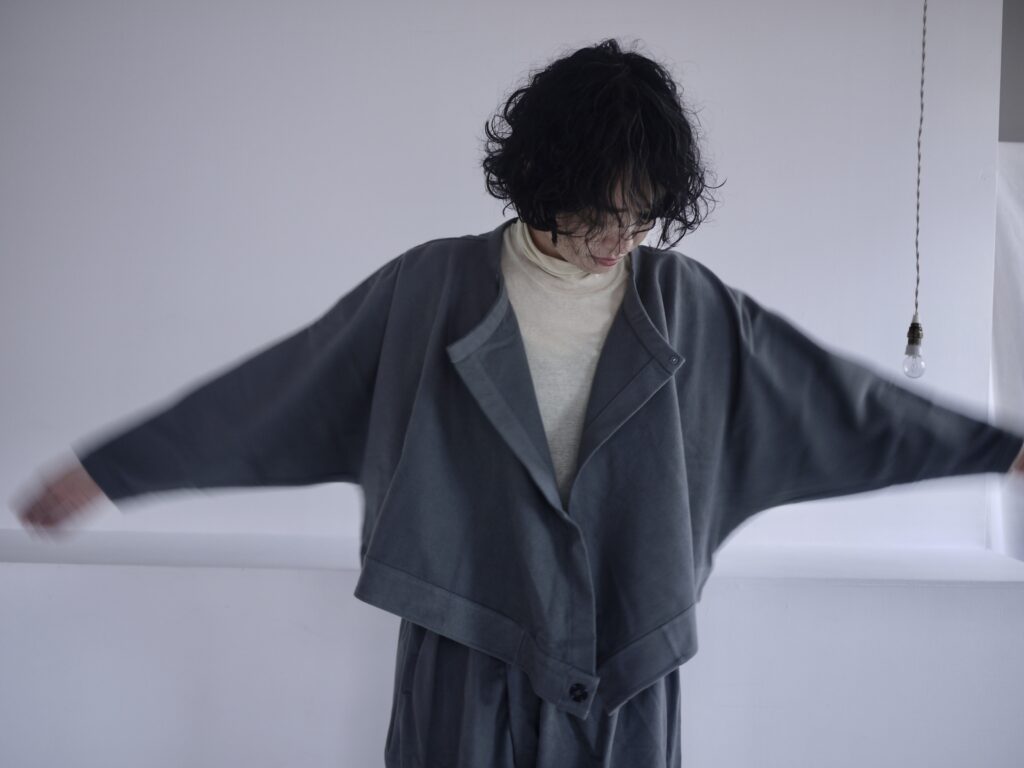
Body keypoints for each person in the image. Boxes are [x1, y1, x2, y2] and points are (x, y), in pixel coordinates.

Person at [13, 38, 1024, 768]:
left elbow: (836, 402)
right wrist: (113, 471)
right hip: (465, 653)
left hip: (625, 667)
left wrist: (996, 449)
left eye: (642, 217)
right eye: (600, 212)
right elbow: (283, 391)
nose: (619, 239)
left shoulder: (690, 307)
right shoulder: (429, 291)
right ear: (540, 176)